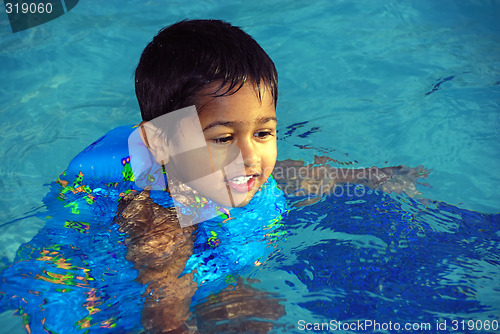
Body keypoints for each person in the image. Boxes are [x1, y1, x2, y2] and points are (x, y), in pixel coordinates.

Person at [118, 19, 429, 333]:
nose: (251, 157)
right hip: (204, 289)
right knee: (255, 315)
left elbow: (304, 175)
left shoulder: (257, 175)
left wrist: (366, 177)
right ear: (161, 144)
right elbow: (162, 315)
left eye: (263, 133)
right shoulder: (163, 227)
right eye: (223, 139)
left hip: (229, 269)